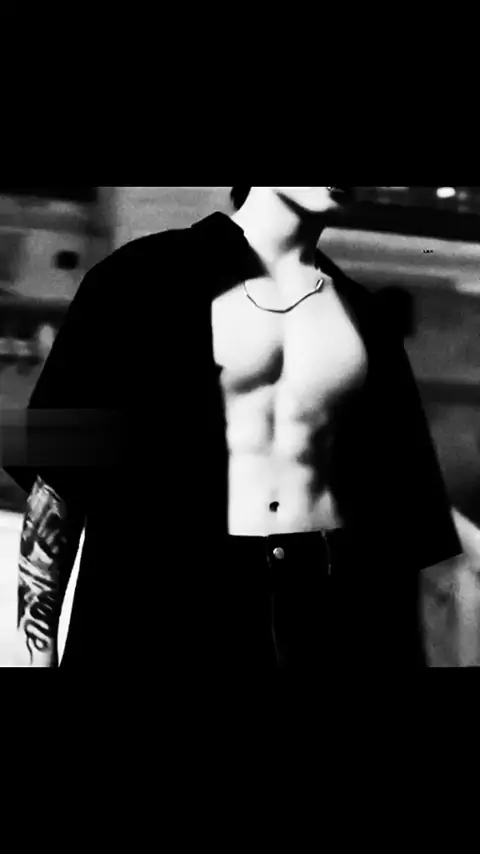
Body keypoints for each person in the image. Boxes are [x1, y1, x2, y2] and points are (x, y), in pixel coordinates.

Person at [3, 186, 477, 675]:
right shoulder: (134, 277)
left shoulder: (368, 321)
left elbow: (408, 532)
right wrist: (35, 655)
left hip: (327, 629)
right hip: (162, 626)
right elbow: (55, 483)